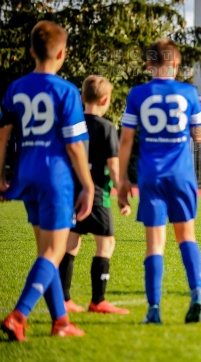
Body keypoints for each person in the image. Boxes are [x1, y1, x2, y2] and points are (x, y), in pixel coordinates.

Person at [0, 20, 93, 341]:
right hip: (56, 176)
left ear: (31, 52)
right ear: (62, 53)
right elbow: (74, 145)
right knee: (53, 251)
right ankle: (18, 315)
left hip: (26, 173)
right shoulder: (66, 91)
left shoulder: (16, 88)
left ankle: (61, 322)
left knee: (46, 251)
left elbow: (2, 136)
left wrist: (1, 176)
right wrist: (88, 184)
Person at [117, 39, 201, 324]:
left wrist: (121, 179)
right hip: (181, 174)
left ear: (148, 64)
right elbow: (199, 135)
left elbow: (127, 139)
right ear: (176, 64)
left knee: (155, 244)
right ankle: (198, 294)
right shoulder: (189, 92)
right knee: (186, 237)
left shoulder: (137, 94)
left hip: (150, 175)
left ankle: (154, 309)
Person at [59, 75, 130, 314]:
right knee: (106, 243)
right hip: (98, 194)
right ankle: (98, 300)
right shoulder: (107, 127)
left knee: (71, 241)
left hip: (73, 192)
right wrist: (121, 193)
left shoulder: (72, 124)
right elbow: (113, 166)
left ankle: (65, 298)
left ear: (82, 98)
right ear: (106, 99)